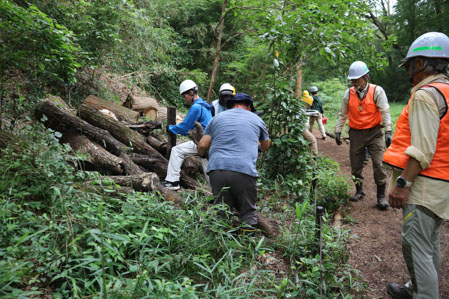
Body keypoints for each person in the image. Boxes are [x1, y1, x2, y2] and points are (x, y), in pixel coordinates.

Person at [383, 32, 449, 299]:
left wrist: (402, 184)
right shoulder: (445, 90)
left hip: (425, 183)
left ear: (421, 64)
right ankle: (416, 289)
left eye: (411, 65)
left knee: (416, 246)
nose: (409, 71)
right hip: (442, 183)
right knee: (429, 243)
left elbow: (422, 149)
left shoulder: (425, 95)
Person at [197, 93, 270, 235]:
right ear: (249, 106)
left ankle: (221, 245)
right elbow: (266, 145)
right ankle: (246, 248)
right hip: (244, 170)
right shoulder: (256, 119)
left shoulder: (216, 118)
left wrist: (201, 155)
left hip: (217, 169)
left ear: (230, 106)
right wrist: (258, 148)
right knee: (248, 211)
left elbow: (202, 145)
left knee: (222, 210)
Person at [335, 61, 392, 210]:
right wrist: (337, 130)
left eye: (357, 80)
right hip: (356, 134)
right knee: (356, 165)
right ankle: (359, 191)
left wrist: (388, 131)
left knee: (379, 164)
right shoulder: (348, 94)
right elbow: (343, 114)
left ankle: (381, 196)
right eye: (352, 80)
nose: (354, 83)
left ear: (366, 76)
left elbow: (385, 110)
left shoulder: (377, 91)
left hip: (374, 133)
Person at [161, 79, 212, 190]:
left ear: (191, 93)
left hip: (202, 141)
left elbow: (185, 127)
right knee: (207, 164)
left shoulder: (196, 107)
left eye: (184, 96)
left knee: (176, 151)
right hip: (210, 141)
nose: (184, 99)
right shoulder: (205, 106)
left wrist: (171, 128)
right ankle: (216, 193)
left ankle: (172, 182)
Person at [301, 90, 318, 155]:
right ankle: (314, 156)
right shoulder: (301, 108)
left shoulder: (302, 108)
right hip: (302, 128)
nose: (308, 106)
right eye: (308, 105)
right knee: (313, 140)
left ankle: (309, 157)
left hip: (303, 128)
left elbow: (305, 112)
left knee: (306, 143)